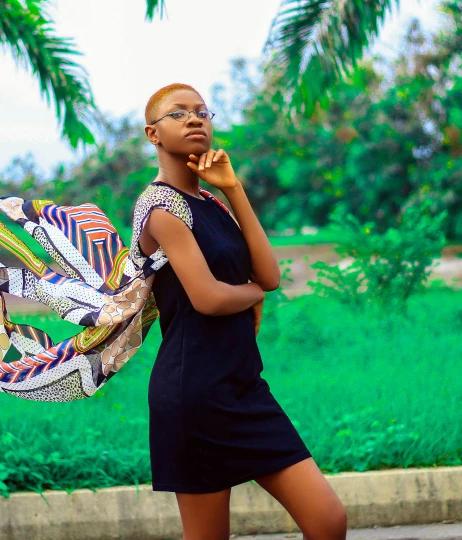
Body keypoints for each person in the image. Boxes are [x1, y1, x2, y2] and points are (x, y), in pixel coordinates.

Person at [132, 82, 347, 540]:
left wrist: (233, 189)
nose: (195, 119)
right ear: (153, 134)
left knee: (328, 521)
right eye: (179, 113)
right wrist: (253, 295)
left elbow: (268, 274)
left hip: (243, 386)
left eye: (202, 112)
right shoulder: (159, 207)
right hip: (194, 395)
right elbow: (208, 297)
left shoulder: (210, 201)